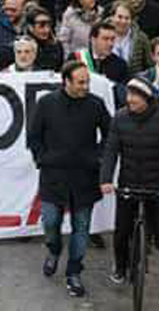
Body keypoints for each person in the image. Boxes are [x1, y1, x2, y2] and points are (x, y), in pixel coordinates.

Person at [27, 59, 111, 298]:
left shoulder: (95, 104)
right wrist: (42, 158)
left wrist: (98, 157)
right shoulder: (46, 104)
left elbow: (110, 134)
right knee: (50, 222)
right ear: (66, 82)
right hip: (53, 176)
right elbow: (34, 137)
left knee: (81, 227)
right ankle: (53, 250)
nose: (86, 86)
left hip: (85, 176)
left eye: (87, 81)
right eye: (81, 82)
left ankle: (74, 271)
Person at [101, 76, 159, 306]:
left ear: (147, 99)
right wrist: (106, 179)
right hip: (129, 183)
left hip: (158, 187)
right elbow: (110, 151)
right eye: (128, 95)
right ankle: (120, 266)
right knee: (121, 234)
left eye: (135, 96)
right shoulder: (120, 118)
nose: (130, 100)